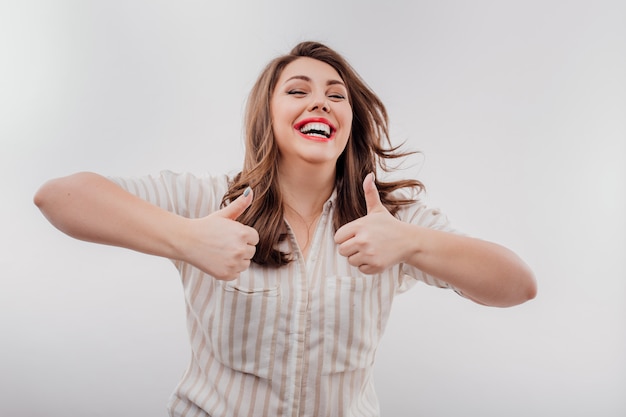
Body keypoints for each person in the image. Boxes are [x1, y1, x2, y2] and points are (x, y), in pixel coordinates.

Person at [34, 41, 536, 417]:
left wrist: (415, 241)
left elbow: (517, 285)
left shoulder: (389, 221)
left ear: (349, 122)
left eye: (336, 96)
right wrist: (185, 239)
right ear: (268, 116)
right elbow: (59, 197)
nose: (321, 103)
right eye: (298, 91)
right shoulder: (209, 202)